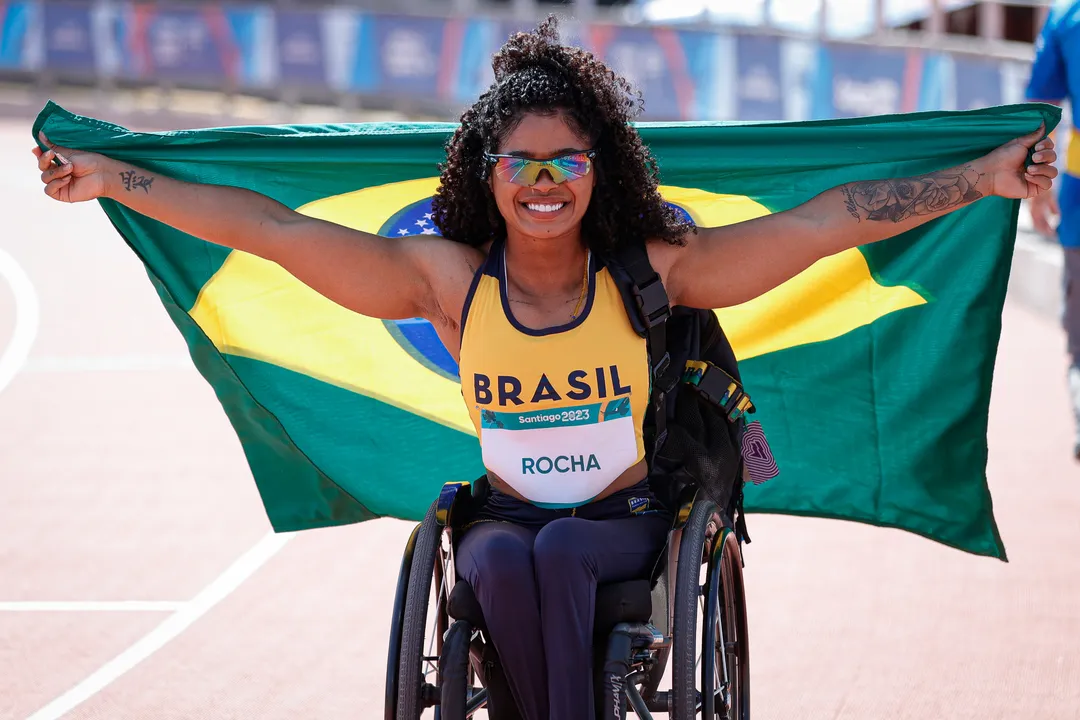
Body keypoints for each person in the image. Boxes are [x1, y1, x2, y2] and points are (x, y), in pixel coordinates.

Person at [33, 18, 1056, 720]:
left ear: (599, 168)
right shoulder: (447, 281)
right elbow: (265, 228)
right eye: (520, 163)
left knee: (561, 558)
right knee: (495, 559)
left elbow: (826, 221)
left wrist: (982, 177)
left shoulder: (654, 272)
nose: (543, 183)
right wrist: (111, 177)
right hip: (506, 522)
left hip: (625, 526)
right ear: (487, 174)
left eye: (566, 161)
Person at [1025, 0, 1080, 459]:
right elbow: (1040, 105)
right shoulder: (1068, 18)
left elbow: (1039, 106)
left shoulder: (1068, 16)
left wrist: (1039, 188)